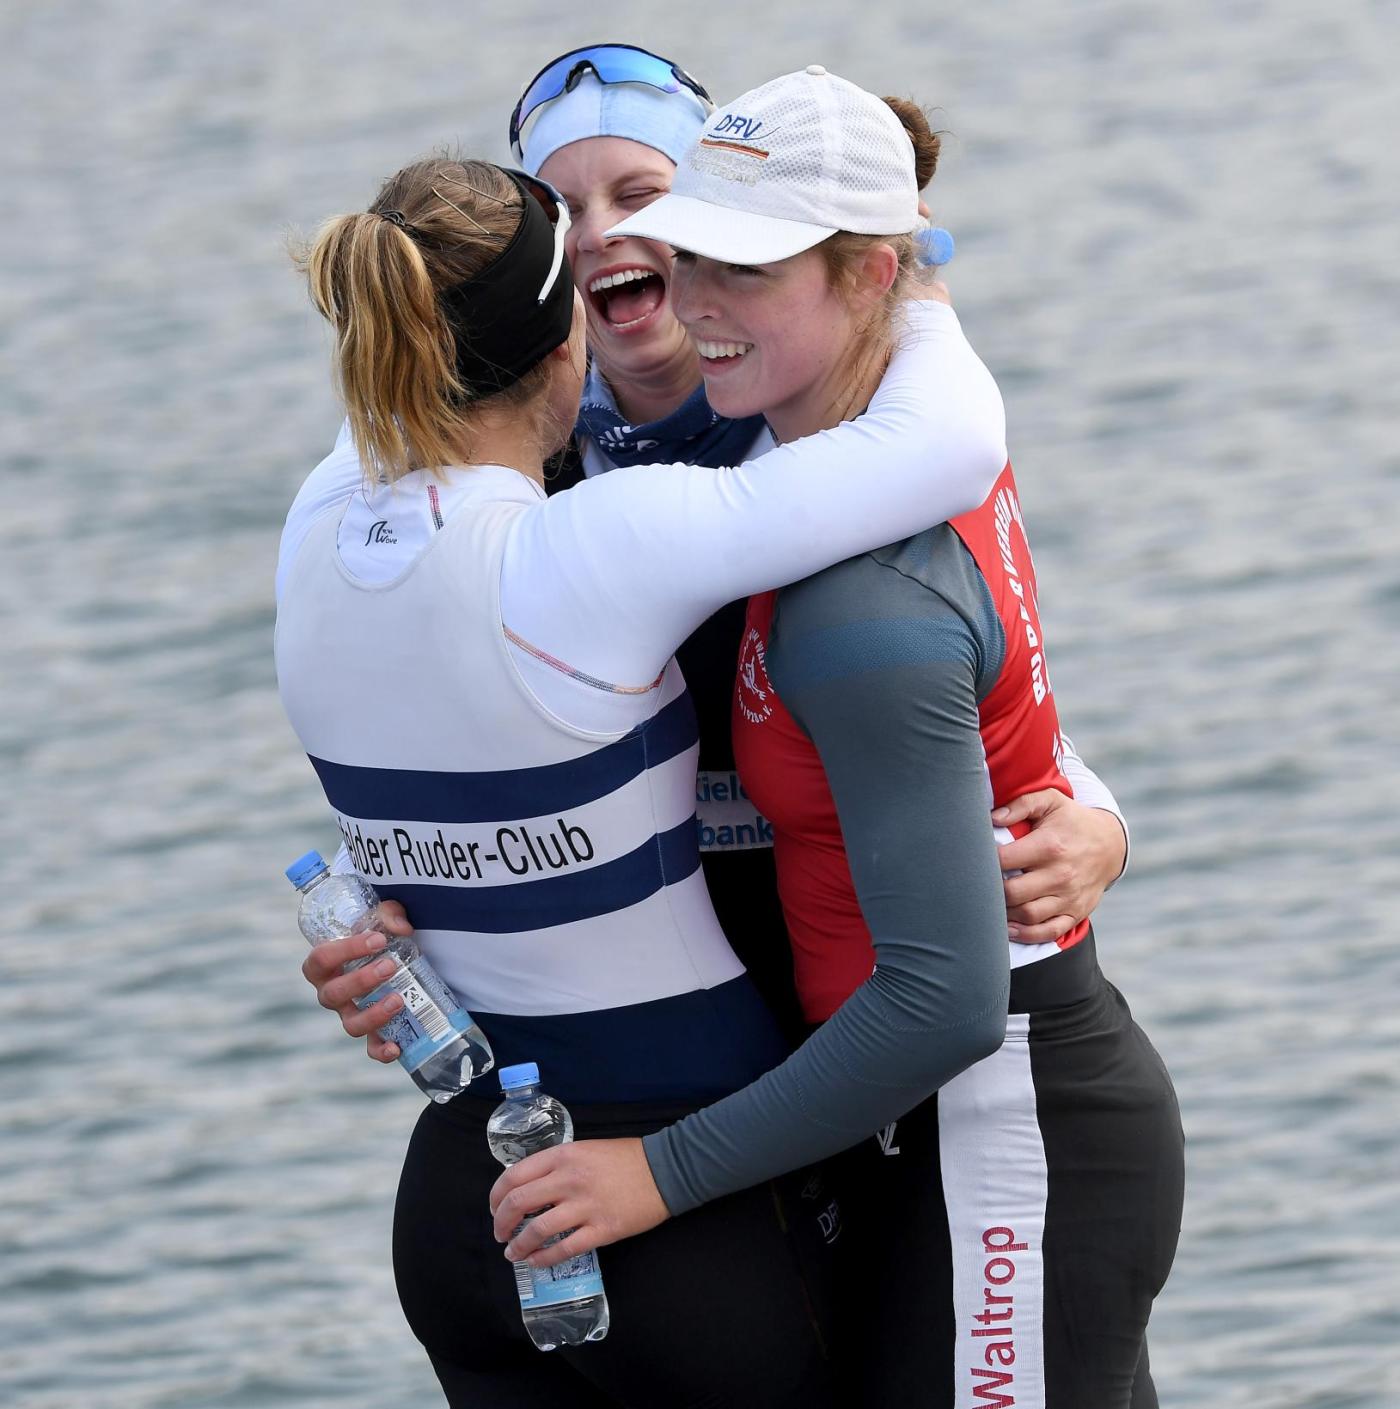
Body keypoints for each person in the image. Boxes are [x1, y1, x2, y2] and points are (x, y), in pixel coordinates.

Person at [488, 68, 1184, 1408]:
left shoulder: (860, 593)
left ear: (868, 277)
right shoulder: (854, 457)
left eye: (742, 270)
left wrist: (655, 1175)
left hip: (993, 1113)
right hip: (918, 1116)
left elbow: (944, 999)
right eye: (692, 256)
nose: (695, 300)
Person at [277, 148, 1011, 1406]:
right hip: (674, 1192)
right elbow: (946, 446)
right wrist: (913, 273)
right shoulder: (589, 550)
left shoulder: (312, 526)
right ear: (564, 344)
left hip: (463, 1199)